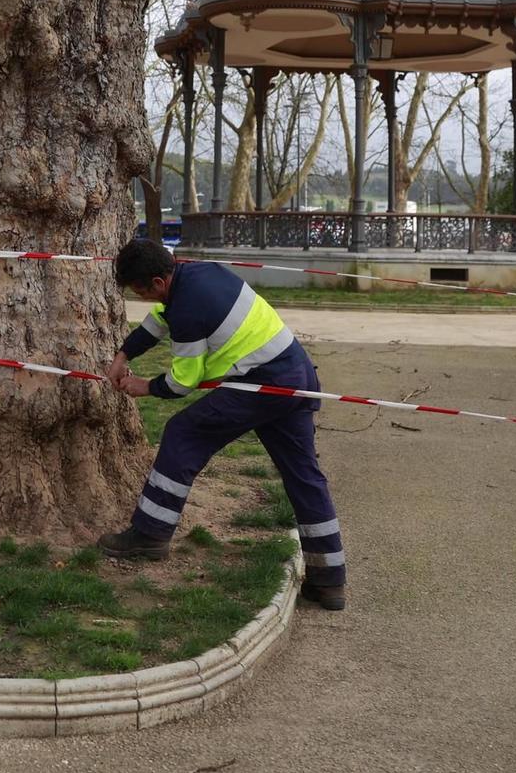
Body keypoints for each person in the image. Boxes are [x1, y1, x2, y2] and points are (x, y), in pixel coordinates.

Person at [97, 238, 348, 611]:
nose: (146, 300)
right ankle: (329, 582)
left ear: (157, 281)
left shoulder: (187, 308)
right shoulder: (199, 273)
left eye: (141, 292)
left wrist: (142, 386)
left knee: (183, 432)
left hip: (263, 384)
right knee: (303, 474)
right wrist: (124, 352)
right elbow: (161, 319)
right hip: (296, 375)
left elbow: (183, 382)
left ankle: (150, 534)